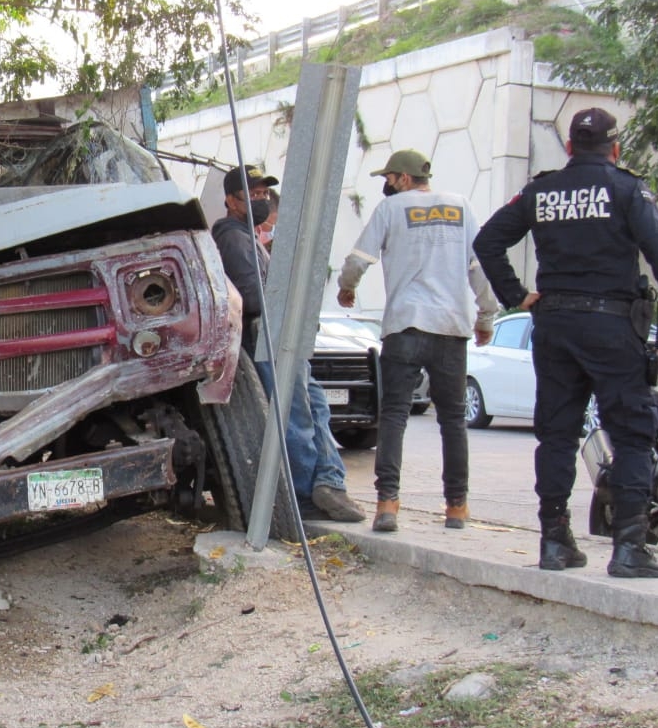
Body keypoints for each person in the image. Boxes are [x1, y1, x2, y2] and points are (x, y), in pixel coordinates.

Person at [473, 107, 658, 578]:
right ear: (615, 147)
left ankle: (555, 542)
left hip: (555, 325)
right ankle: (628, 548)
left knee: (557, 435)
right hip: (611, 326)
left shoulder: (541, 190)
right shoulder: (625, 189)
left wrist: (517, 296)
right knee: (629, 433)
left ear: (569, 148)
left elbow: (487, 242)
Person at [336, 149, 500, 533]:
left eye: (389, 178)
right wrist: (486, 316)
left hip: (405, 325)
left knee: (393, 416)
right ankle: (457, 506)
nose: (385, 185)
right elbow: (479, 265)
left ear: (405, 179)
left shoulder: (391, 211)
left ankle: (387, 505)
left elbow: (358, 259)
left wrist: (348, 289)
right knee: (453, 420)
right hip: (450, 327)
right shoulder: (461, 208)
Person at [211, 165, 365, 522]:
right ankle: (306, 493)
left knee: (315, 406)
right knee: (294, 415)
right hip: (265, 332)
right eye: (253, 194)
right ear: (231, 200)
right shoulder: (233, 238)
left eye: (264, 193)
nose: (261, 199)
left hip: (280, 331)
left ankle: (328, 481)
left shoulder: (250, 236)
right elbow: (252, 297)